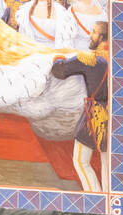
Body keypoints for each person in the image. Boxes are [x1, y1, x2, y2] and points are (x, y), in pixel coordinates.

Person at [49, 20, 110, 192]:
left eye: (94, 32)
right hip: (115, 116)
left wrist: (58, 57)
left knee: (81, 161)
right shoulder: (118, 60)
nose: (91, 35)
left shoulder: (89, 59)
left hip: (95, 116)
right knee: (108, 162)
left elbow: (59, 70)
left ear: (102, 37)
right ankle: (107, 197)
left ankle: (95, 197)